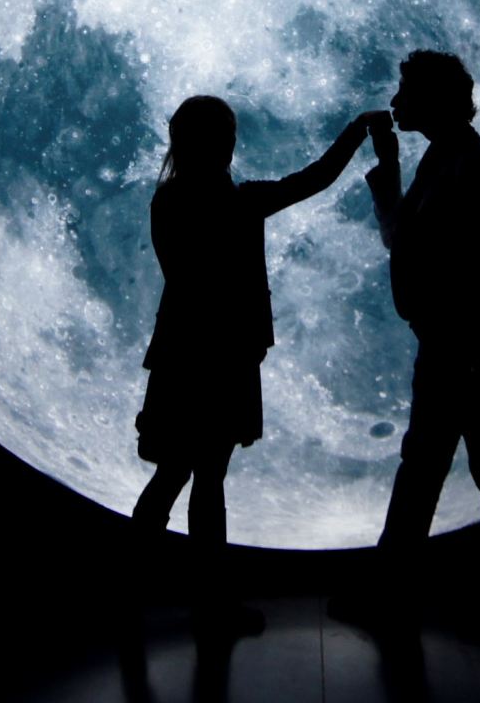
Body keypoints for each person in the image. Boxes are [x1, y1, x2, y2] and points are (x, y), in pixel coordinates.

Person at [131, 95, 380, 609]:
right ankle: (211, 603)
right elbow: (315, 179)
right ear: (221, 144)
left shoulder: (169, 200)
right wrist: (357, 132)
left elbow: (182, 278)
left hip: (182, 355)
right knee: (205, 479)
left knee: (175, 474)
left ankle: (135, 589)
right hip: (222, 361)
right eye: (228, 136)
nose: (232, 144)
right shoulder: (238, 201)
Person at [363, 50, 480, 567]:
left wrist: (474, 348)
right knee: (479, 464)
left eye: (405, 92)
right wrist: (389, 165)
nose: (394, 102)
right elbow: (404, 238)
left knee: (442, 463)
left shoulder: (468, 165)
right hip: (457, 342)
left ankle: (393, 587)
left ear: (431, 99)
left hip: (462, 344)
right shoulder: (446, 158)